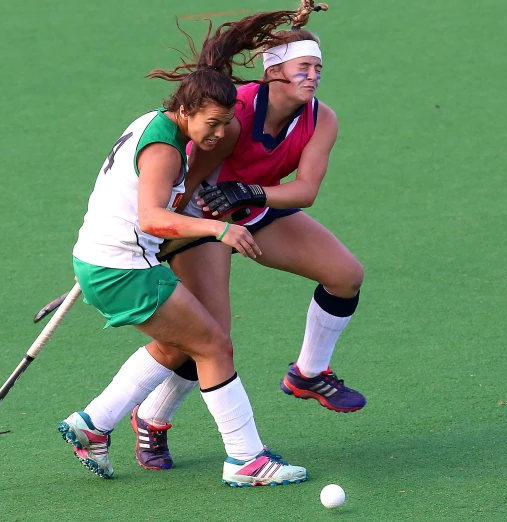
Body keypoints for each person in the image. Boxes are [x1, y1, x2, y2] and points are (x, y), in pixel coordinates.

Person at [59, 10, 310, 488]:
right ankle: (245, 460)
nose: (217, 135)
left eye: (225, 123)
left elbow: (144, 212)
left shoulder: (156, 123)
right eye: (211, 124)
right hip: (122, 269)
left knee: (181, 344)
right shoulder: (165, 148)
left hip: (109, 261)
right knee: (213, 344)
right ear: (187, 110)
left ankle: (93, 425)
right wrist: (217, 231)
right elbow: (153, 217)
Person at [129, 0, 367, 472]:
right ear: (275, 71)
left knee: (345, 274)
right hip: (203, 218)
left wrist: (251, 191)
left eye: (318, 68)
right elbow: (191, 168)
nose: (314, 76)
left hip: (255, 209)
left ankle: (309, 372)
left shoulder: (322, 118)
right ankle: (151, 420)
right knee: (209, 336)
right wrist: (160, 232)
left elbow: (307, 190)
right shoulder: (234, 108)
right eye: (304, 67)